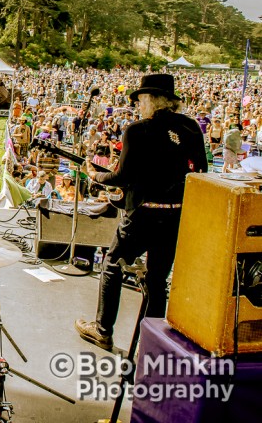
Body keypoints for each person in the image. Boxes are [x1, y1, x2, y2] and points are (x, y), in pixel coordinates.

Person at [76, 74, 207, 351]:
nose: (138, 106)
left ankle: (102, 330)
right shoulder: (192, 127)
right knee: (157, 279)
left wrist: (95, 176)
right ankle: (153, 342)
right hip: (174, 217)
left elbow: (122, 176)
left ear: (151, 100)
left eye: (140, 100)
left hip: (143, 216)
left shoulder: (137, 130)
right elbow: (202, 171)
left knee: (112, 264)